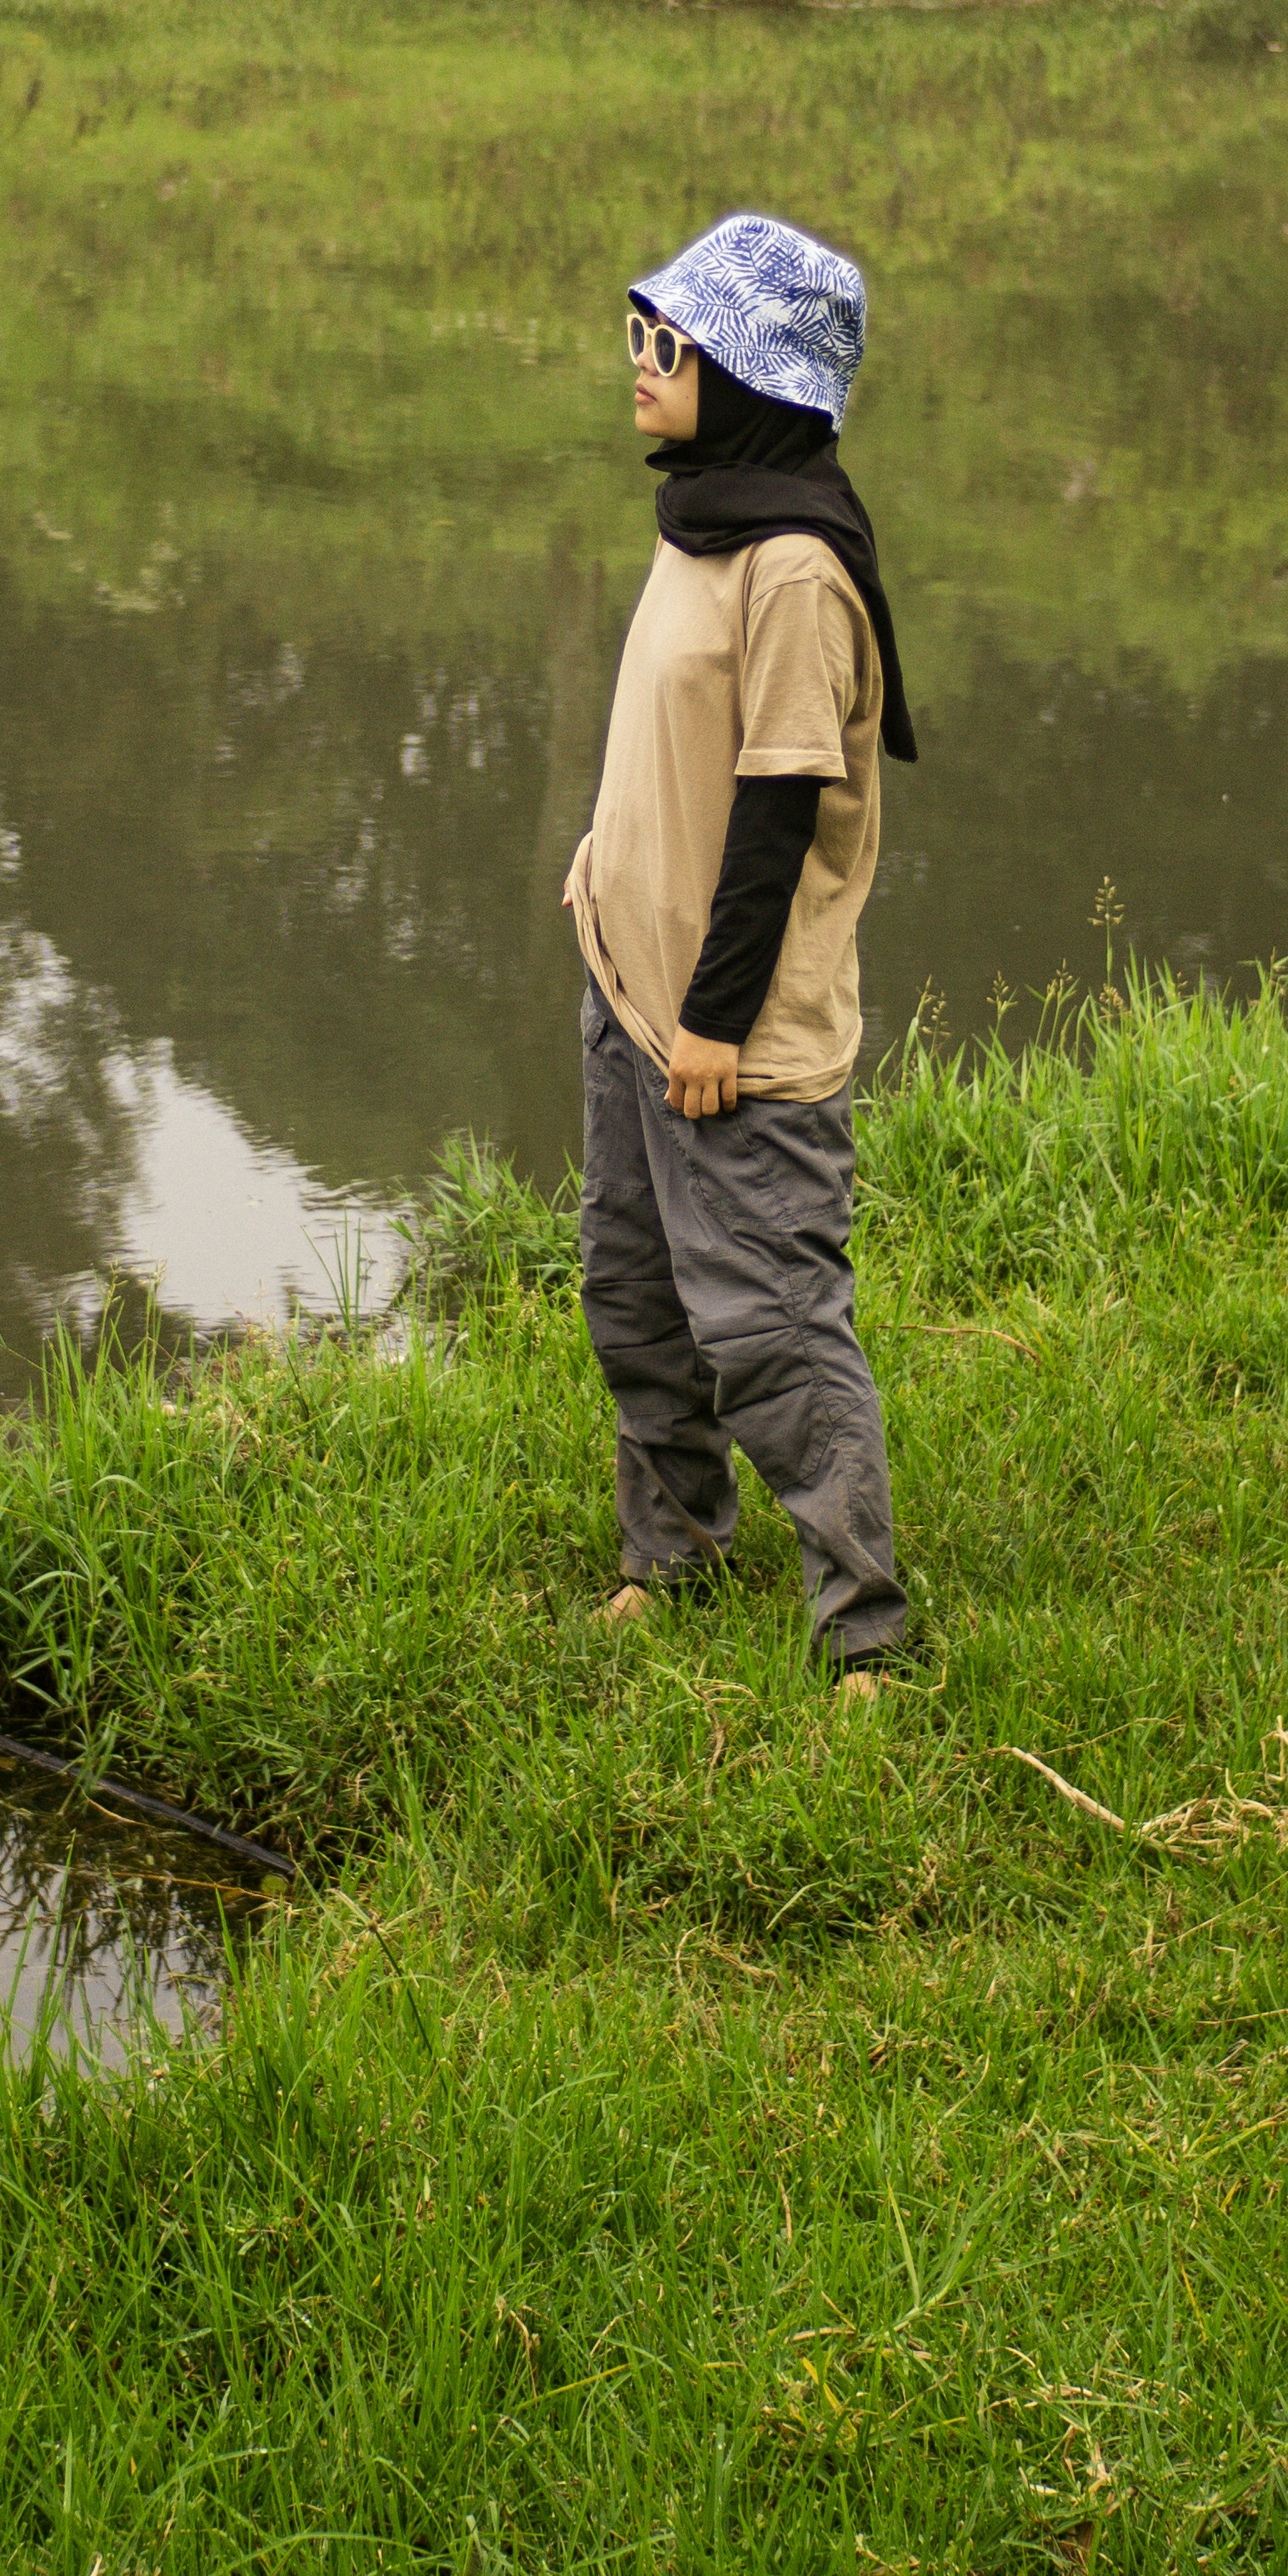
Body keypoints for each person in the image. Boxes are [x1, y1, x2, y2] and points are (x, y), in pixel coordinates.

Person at [563, 208, 917, 1689]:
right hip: (630, 993)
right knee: (636, 1295)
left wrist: (711, 1023)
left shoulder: (791, 568)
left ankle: (865, 1640)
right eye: (644, 332)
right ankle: (675, 1551)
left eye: (671, 344)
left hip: (732, 1040)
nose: (639, 363)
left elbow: (778, 811)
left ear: (753, 371)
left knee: (767, 1329)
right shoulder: (706, 509)